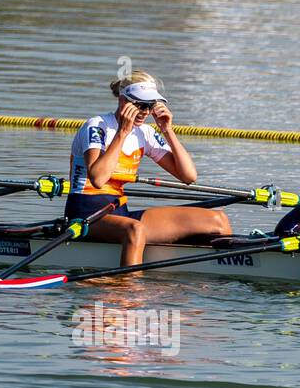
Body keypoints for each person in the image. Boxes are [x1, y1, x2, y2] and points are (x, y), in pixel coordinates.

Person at [67, 71, 230, 267]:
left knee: (217, 220)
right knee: (135, 230)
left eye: (150, 105)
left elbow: (188, 176)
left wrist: (167, 130)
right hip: (86, 215)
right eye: (140, 104)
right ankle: (129, 290)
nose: (145, 111)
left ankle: (228, 273)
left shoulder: (145, 133)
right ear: (122, 101)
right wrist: (123, 132)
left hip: (120, 212)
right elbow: (98, 178)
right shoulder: (97, 126)